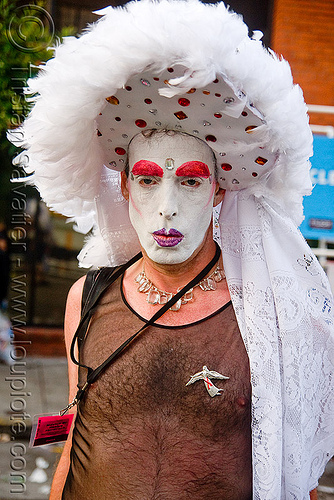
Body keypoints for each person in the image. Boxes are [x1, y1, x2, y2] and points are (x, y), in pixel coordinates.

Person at [10, 1, 334, 498]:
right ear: (123, 187)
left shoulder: (269, 315)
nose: (165, 209)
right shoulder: (87, 298)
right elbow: (75, 439)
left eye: (189, 181)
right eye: (147, 179)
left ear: (220, 189)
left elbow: (294, 476)